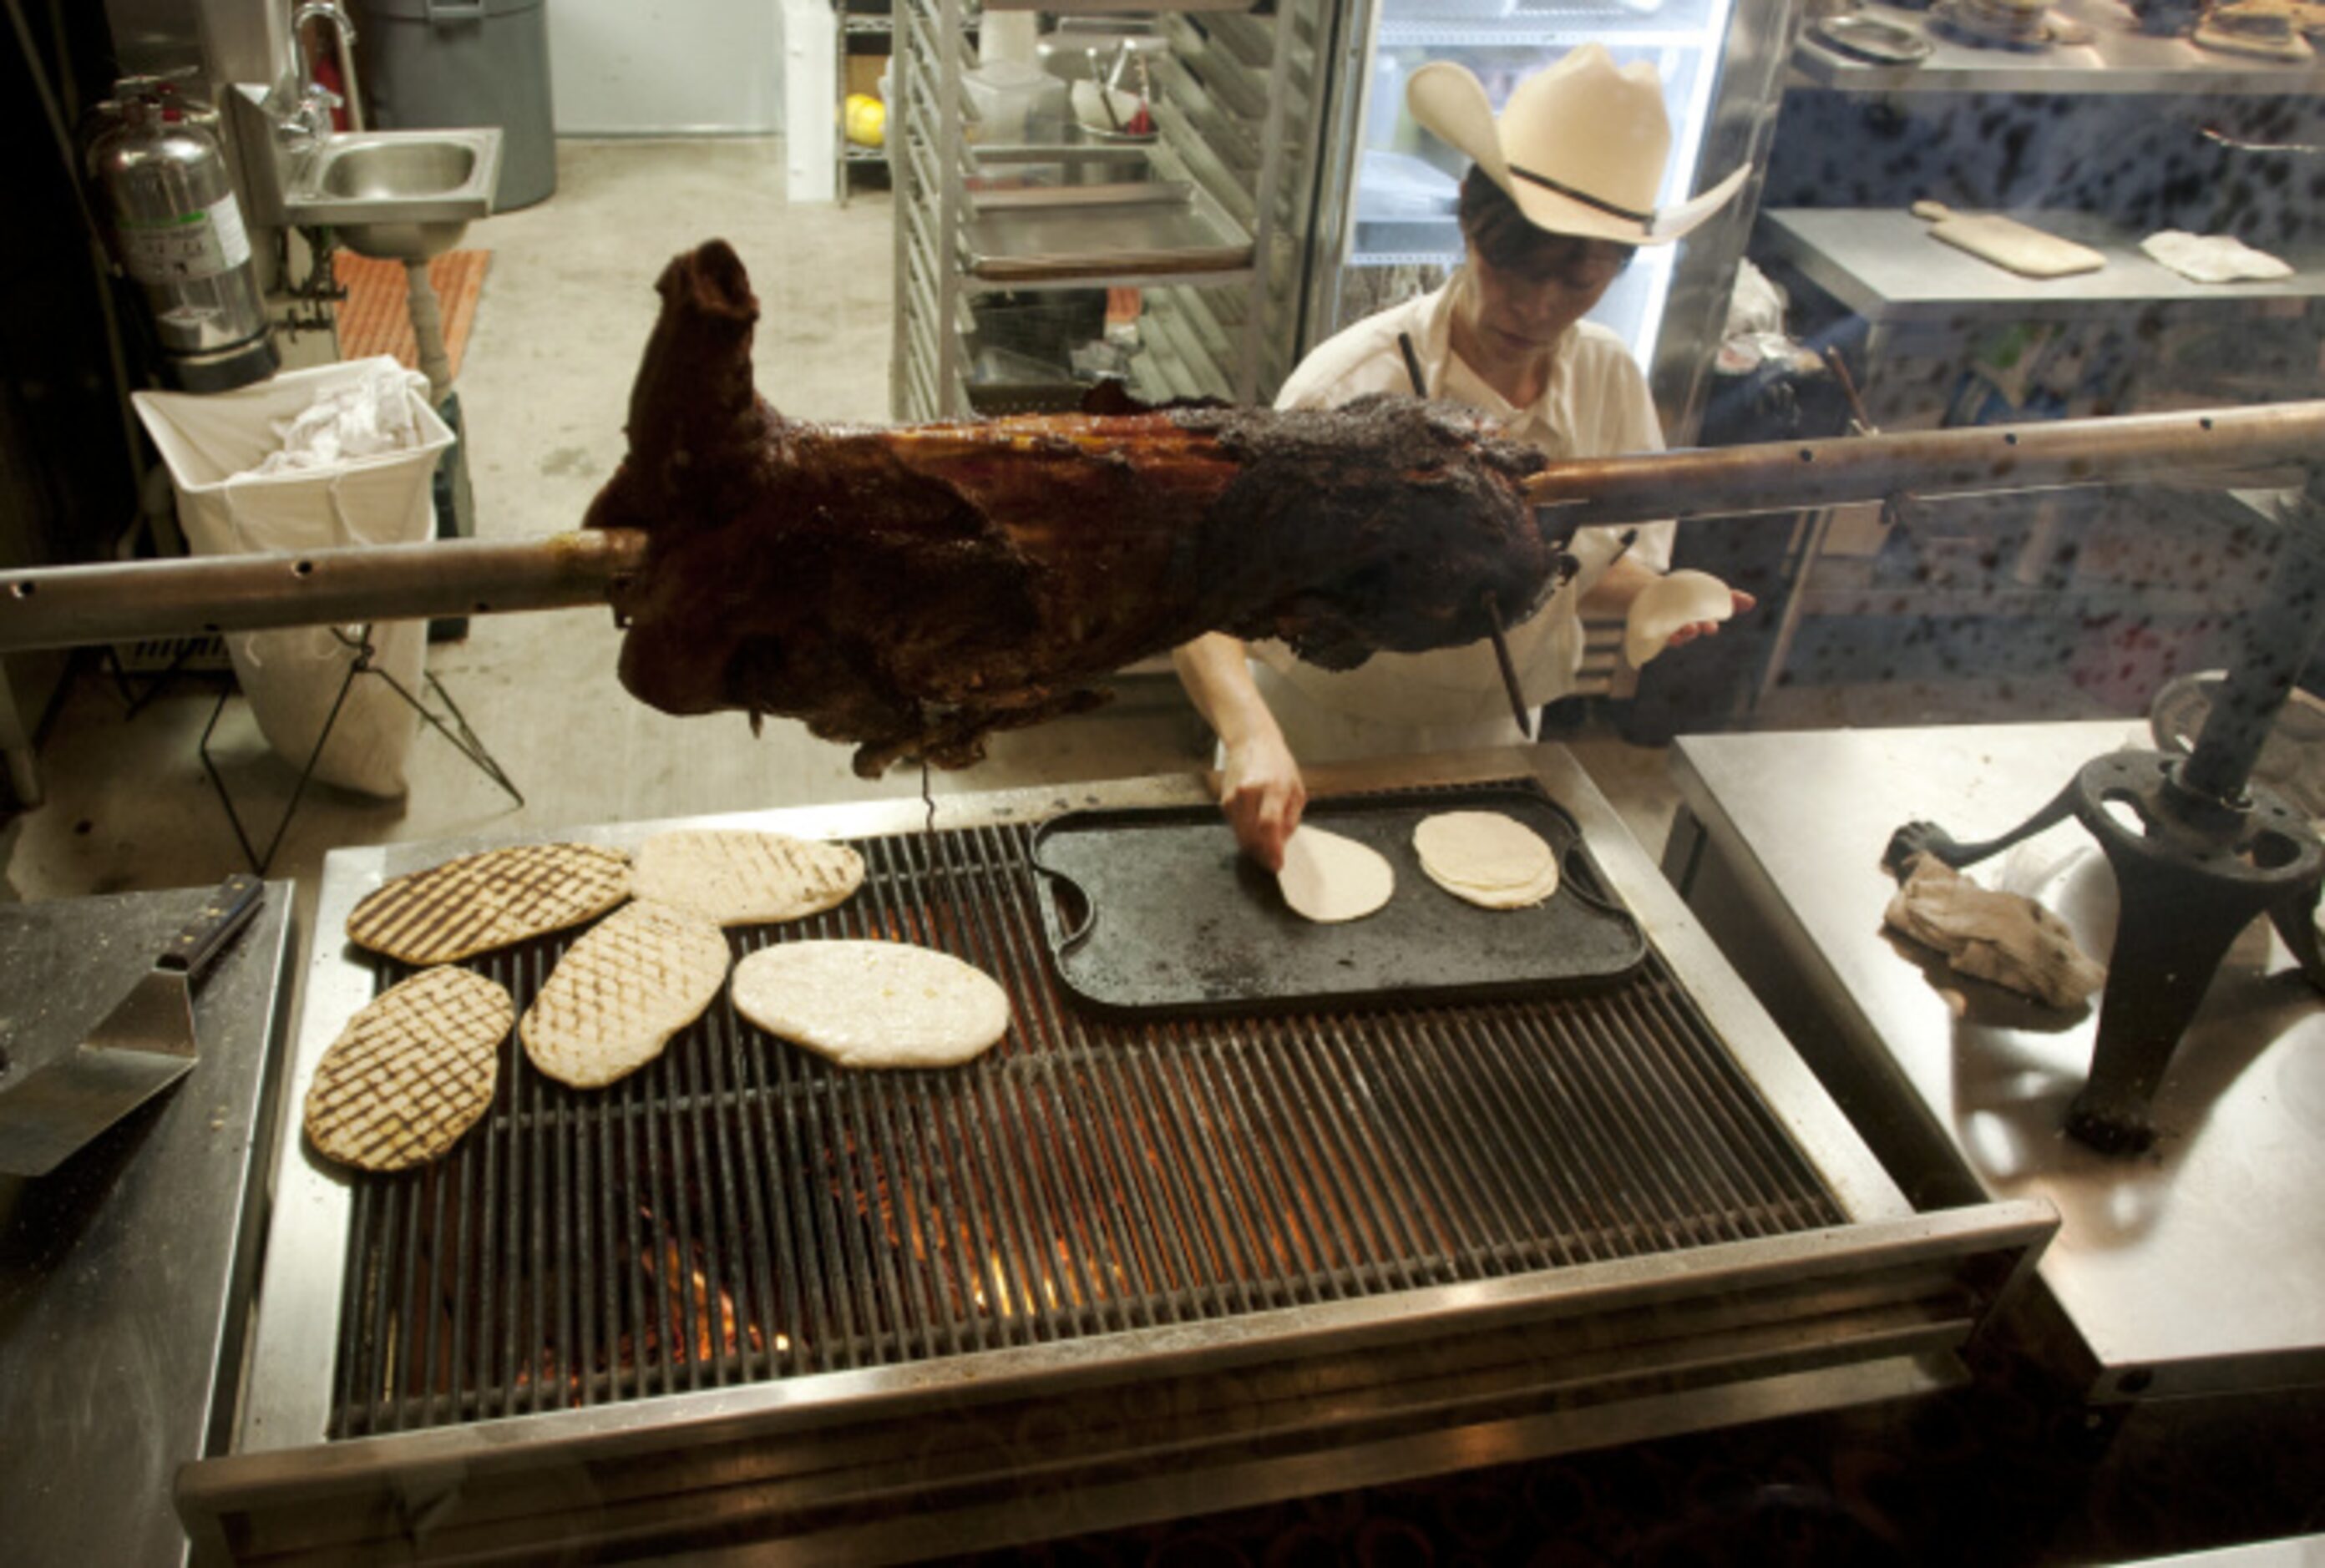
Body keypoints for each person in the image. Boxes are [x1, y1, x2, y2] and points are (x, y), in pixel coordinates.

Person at [1173, 45, 1757, 870]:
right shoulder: (1352, 382)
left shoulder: (1608, 381)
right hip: (1318, 734)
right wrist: (1251, 734)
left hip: (1492, 738)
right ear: (1468, 220)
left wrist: (1657, 601)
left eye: (1576, 284)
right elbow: (1198, 595)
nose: (1535, 307)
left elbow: (1593, 568)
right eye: (1510, 266)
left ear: (1618, 268)